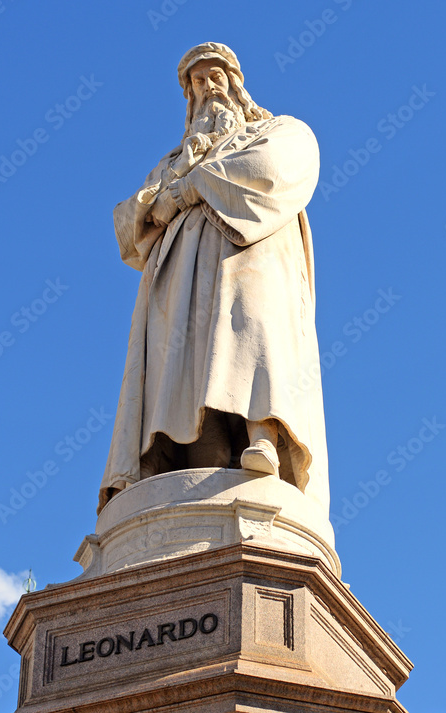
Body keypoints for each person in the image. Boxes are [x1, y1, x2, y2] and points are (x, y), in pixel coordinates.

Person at [99, 42, 329, 516]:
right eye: (196, 83)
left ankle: (264, 435)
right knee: (185, 371)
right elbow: (128, 227)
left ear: (235, 80)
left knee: (253, 341)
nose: (207, 88)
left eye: (214, 77)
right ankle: (192, 460)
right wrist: (168, 190)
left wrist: (188, 189)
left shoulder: (279, 129)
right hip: (178, 279)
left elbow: (272, 170)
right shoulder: (173, 160)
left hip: (250, 257)